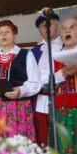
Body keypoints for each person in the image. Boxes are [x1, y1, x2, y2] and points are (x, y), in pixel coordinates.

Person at [0, 20, 41, 141]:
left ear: (15, 35)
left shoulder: (26, 54)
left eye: (7, 31)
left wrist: (19, 91)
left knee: (16, 144)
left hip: (17, 108)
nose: (3, 35)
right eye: (0, 33)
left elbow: (35, 83)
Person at [54, 16, 77, 154]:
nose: (67, 31)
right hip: (61, 112)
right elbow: (42, 82)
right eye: (63, 28)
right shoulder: (54, 55)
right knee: (65, 152)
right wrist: (62, 73)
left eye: (72, 27)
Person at [31, 13, 63, 146]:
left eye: (50, 23)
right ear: (39, 30)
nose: (47, 27)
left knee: (62, 136)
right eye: (43, 25)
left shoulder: (67, 46)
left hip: (61, 98)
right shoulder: (34, 51)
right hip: (40, 99)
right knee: (42, 137)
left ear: (58, 25)